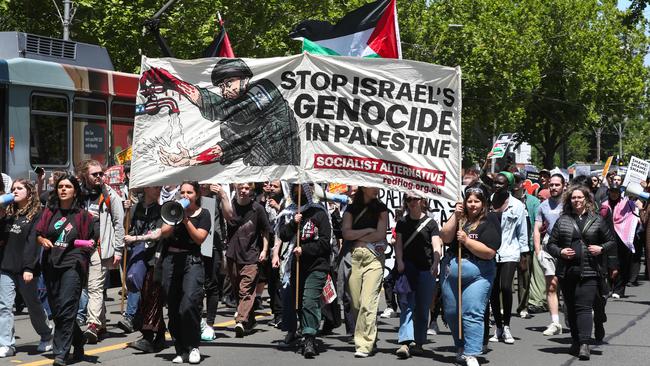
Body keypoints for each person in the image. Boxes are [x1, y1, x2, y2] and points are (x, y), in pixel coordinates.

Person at [142, 59, 301, 167]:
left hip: (288, 176)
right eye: (221, 87)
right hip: (263, 178)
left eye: (228, 83)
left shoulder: (263, 88)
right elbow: (231, 146)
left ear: (244, 78)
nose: (225, 90)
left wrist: (175, 83)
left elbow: (226, 110)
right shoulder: (241, 125)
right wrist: (190, 161)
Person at [546, 184, 615, 360]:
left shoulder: (597, 220)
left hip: (590, 270)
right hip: (567, 271)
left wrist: (600, 248)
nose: (576, 200)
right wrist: (560, 251)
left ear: (586, 199)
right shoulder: (563, 220)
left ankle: (584, 344)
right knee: (571, 307)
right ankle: (576, 341)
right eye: (573, 198)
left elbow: (611, 242)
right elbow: (551, 244)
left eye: (580, 197)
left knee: (584, 307)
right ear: (569, 200)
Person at [36, 174, 97, 366]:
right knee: (57, 312)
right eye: (60, 186)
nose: (63, 189)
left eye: (68, 186)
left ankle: (60, 353)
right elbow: (39, 233)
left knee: (67, 307)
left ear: (75, 191)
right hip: (51, 264)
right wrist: (43, 240)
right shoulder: (49, 212)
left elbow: (92, 241)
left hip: (73, 264)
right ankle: (78, 340)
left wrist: (90, 244)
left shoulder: (84, 216)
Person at [440, 183, 501, 366]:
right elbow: (445, 237)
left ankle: (472, 352)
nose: (472, 205)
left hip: (479, 274)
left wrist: (466, 241)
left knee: (472, 312)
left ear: (483, 203)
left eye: (476, 201)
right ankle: (460, 345)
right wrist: (455, 216)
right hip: (452, 271)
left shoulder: (490, 219)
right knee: (451, 313)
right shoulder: (460, 217)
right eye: (469, 201)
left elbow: (489, 252)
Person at [277, 184, 332, 358]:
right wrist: (294, 223)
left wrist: (305, 250)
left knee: (309, 300)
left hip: (316, 265)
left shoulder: (319, 213)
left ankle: (309, 338)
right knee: (299, 302)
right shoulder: (291, 213)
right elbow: (284, 235)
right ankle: (304, 330)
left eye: (302, 193)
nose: (297, 196)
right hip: (298, 265)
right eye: (295, 193)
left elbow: (325, 243)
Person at [0, 179, 52, 358]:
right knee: (4, 307)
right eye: (13, 188)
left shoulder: (38, 213)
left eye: (19, 188)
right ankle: (6, 344)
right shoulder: (9, 212)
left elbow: (33, 243)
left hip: (26, 268)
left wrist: (29, 267)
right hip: (7, 267)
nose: (15, 191)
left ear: (29, 192)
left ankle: (46, 335)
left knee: (33, 305)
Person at [160, 181, 211, 364]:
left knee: (189, 303)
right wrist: (175, 215)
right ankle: (180, 349)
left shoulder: (204, 214)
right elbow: (164, 233)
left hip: (192, 261)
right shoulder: (173, 209)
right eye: (182, 192)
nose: (185, 195)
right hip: (171, 261)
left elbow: (199, 238)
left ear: (196, 194)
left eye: (189, 192)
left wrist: (186, 220)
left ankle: (193, 346)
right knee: (173, 306)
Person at [75, 159, 125, 344]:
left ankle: (93, 325)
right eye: (94, 174)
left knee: (95, 287)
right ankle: (102, 324)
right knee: (88, 287)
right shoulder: (77, 193)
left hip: (99, 247)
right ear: (84, 176)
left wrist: (118, 250)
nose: (99, 177)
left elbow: (119, 224)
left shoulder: (110, 195)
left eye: (100, 174)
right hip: (80, 247)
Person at [393, 193, 442, 359]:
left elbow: (437, 244)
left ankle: (419, 342)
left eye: (415, 199)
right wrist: (399, 261)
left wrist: (436, 263)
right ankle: (405, 342)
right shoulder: (402, 222)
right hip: (407, 270)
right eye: (408, 199)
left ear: (422, 201)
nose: (412, 202)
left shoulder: (431, 223)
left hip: (426, 270)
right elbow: (398, 245)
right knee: (407, 305)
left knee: (422, 307)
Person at [342, 186, 388, 358]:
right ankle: (370, 335)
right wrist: (368, 231)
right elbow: (346, 233)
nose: (376, 188)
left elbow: (380, 234)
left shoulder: (381, 208)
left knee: (368, 302)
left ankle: (364, 344)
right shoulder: (351, 208)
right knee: (355, 303)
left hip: (374, 259)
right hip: (354, 258)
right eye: (372, 185)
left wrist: (358, 236)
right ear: (363, 186)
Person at [221, 183, 271, 337]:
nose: (243, 191)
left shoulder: (258, 209)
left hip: (251, 255)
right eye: (241, 188)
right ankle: (250, 319)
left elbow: (265, 231)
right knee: (237, 291)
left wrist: (264, 250)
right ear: (236, 189)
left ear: (251, 191)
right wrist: (222, 196)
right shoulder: (231, 206)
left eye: (247, 188)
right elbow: (226, 216)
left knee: (246, 290)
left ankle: (241, 321)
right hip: (233, 255)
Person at [125, 186, 167, 354]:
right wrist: (126, 212)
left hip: (155, 258)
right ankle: (160, 336)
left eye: (160, 187)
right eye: (155, 186)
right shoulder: (136, 208)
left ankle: (148, 336)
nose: (158, 189)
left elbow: (157, 234)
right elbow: (128, 228)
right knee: (146, 296)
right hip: (139, 256)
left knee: (153, 296)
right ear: (146, 188)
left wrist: (136, 238)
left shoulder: (163, 209)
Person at [488, 172, 528, 344]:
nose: (497, 186)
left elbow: (522, 232)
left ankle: (507, 326)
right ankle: (497, 327)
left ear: (509, 186)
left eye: (501, 184)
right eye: (495, 183)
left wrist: (524, 255)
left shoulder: (518, 206)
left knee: (505, 287)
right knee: (493, 290)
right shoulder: (487, 201)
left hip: (510, 251)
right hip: (489, 251)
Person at [534, 174, 565, 336]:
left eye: (557, 185)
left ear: (563, 186)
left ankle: (572, 313)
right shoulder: (543, 206)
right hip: (548, 250)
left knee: (567, 286)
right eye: (551, 185)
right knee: (552, 286)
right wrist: (538, 251)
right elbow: (537, 229)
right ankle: (555, 322)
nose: (553, 187)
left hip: (567, 250)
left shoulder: (570, 204)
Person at [599, 183, 639, 299]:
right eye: (612, 191)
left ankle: (619, 289)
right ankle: (610, 287)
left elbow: (634, 216)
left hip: (623, 238)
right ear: (609, 192)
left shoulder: (627, 204)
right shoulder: (604, 205)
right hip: (608, 237)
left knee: (622, 263)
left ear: (619, 193)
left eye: (616, 192)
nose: (614, 194)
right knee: (608, 263)